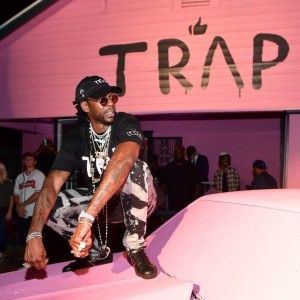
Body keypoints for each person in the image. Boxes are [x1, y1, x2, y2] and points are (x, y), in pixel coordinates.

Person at [24, 75, 158, 279]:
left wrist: (87, 217)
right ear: (85, 106)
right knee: (53, 205)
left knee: (135, 166)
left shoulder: (126, 122)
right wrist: (34, 234)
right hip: (102, 206)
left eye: (113, 97)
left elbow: (126, 157)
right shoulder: (76, 138)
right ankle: (94, 251)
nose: (111, 104)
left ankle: (134, 247)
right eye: (103, 100)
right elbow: (52, 184)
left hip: (137, 200)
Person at [13, 152, 46, 246]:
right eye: (26, 159)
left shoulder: (39, 175)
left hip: (34, 213)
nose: (28, 161)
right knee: (22, 237)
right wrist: (18, 207)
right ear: (23, 161)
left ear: (35, 161)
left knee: (34, 238)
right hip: (21, 213)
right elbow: (16, 194)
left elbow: (38, 194)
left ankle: (37, 258)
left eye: (30, 159)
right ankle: (26, 257)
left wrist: (22, 205)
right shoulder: (19, 177)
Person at [160, 145, 199, 213]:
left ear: (183, 154)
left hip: (188, 201)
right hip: (173, 201)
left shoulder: (191, 167)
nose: (178, 154)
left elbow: (197, 183)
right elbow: (164, 184)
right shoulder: (168, 168)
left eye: (180, 152)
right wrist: (161, 199)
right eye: (176, 152)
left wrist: (195, 198)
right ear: (174, 154)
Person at [0, 162, 14, 262]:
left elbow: (11, 198)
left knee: (1, 232)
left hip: (3, 209)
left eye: (1, 169)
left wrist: (9, 212)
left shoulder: (8, 182)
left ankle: (1, 253)